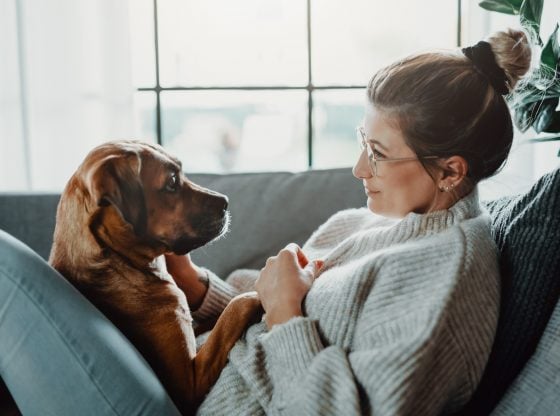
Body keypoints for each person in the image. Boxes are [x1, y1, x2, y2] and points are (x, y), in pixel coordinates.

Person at [0, 28, 531, 416]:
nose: (357, 169)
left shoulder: (447, 278)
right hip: (188, 377)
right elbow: (261, 301)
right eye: (359, 143)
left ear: (450, 171)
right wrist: (200, 289)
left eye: (377, 152)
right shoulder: (363, 223)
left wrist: (284, 315)